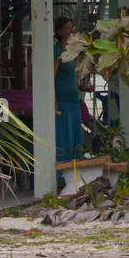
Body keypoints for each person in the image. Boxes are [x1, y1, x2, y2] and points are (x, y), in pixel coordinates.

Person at [53, 17, 82, 168]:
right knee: (63, 138)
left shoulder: (73, 51)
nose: (72, 31)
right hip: (62, 102)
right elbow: (51, 78)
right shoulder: (57, 51)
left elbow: (72, 77)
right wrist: (54, 103)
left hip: (73, 101)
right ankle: (61, 176)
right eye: (68, 28)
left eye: (72, 27)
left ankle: (75, 174)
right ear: (59, 32)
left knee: (75, 140)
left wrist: (83, 88)